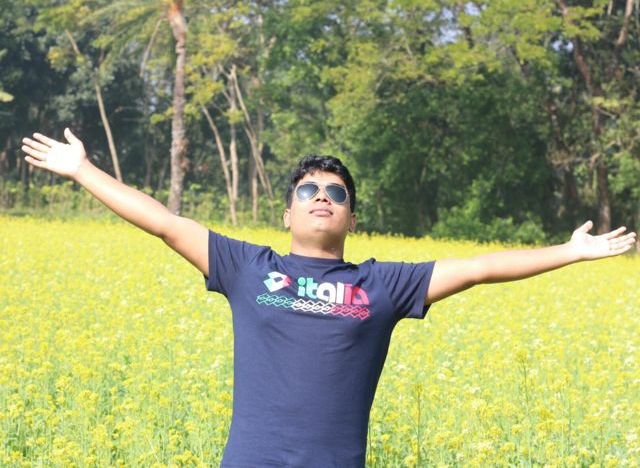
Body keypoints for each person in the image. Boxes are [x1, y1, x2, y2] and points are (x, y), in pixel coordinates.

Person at [21, 129, 637, 467]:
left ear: (351, 217)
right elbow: (163, 221)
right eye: (308, 190)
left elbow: (479, 268)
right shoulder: (247, 268)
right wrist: (82, 170)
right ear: (287, 212)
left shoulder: (382, 285)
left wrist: (569, 252)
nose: (322, 197)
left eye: (336, 193)